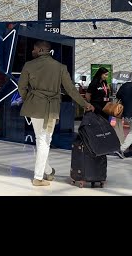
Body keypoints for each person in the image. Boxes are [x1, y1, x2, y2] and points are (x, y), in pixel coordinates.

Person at [17, 40, 94, 187]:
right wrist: (85, 104)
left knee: (41, 140)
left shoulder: (28, 65)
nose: (32, 51)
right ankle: (38, 177)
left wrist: (30, 100)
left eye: (34, 49)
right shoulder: (60, 67)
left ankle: (48, 170)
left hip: (34, 106)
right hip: (51, 107)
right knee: (44, 141)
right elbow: (71, 90)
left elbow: (22, 87)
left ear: (40, 50)